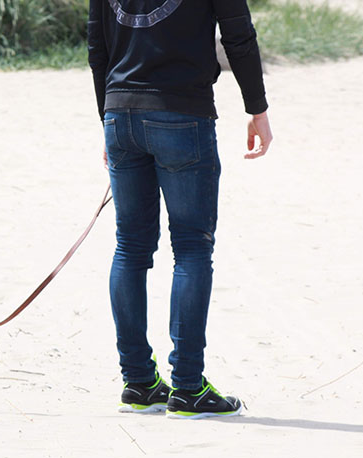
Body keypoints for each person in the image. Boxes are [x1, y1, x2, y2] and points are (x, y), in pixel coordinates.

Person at [88, 0, 273, 419]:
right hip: (182, 114)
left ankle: (138, 383)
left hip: (121, 113)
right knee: (191, 249)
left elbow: (96, 46)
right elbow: (238, 35)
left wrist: (109, 115)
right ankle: (188, 386)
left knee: (130, 248)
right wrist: (256, 109)